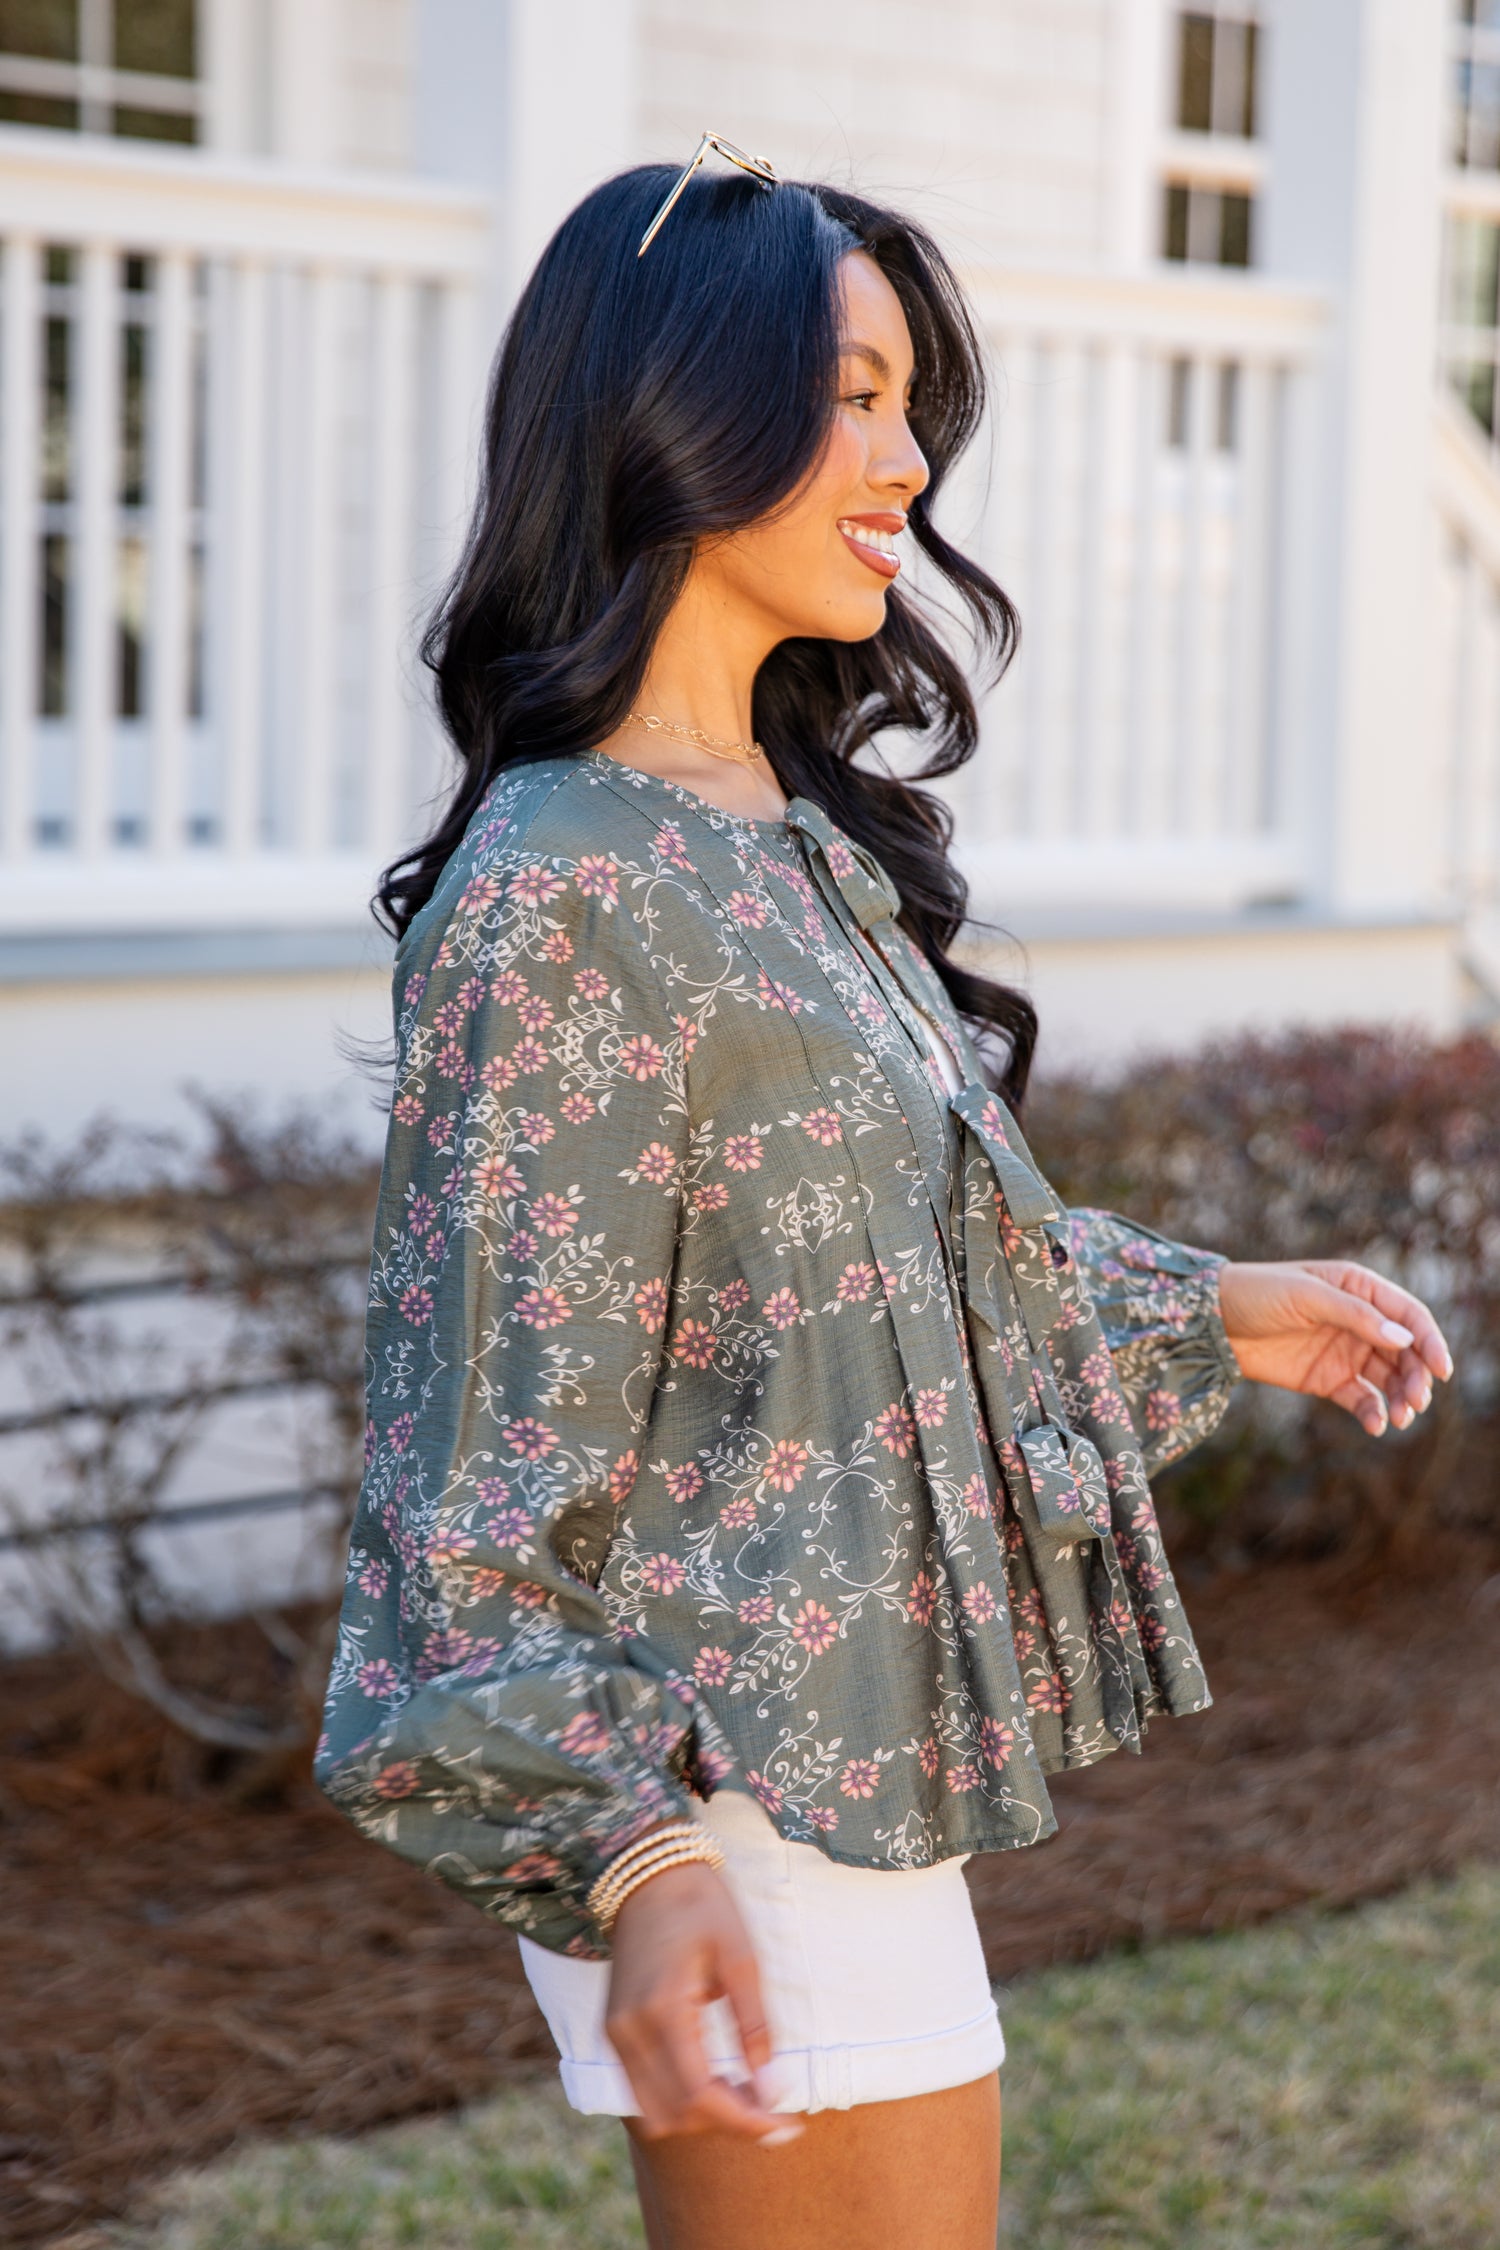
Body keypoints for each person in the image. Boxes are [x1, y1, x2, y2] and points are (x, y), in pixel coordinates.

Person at [315, 150, 1452, 2250]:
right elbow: (469, 1480)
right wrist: (633, 1869)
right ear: (669, 409)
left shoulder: (773, 830)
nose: (906, 460)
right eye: (845, 394)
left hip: (802, 1777)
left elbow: (884, 1277)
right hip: (722, 1799)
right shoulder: (569, 881)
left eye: (908, 399)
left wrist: (1219, 1312)